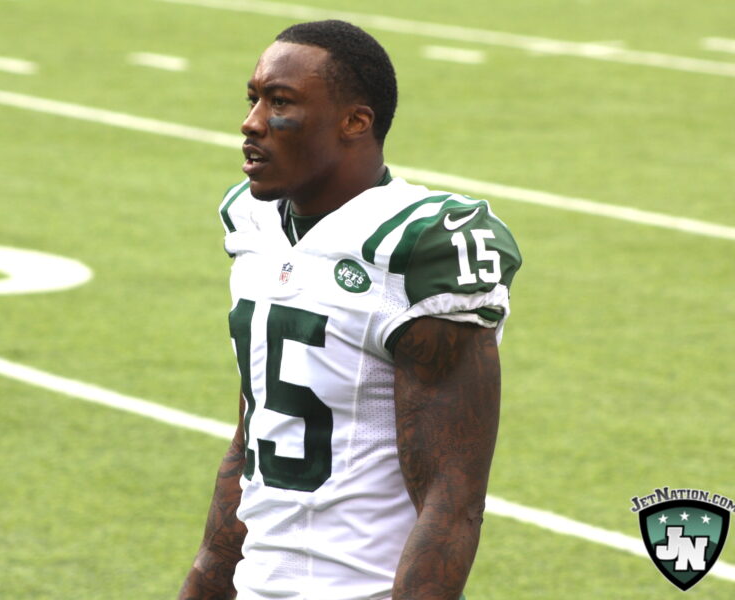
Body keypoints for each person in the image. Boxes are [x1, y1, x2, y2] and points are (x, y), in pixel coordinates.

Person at [179, 19, 521, 600]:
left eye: (280, 102)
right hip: (259, 583)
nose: (252, 122)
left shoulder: (416, 249)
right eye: (253, 98)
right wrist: (208, 574)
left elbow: (453, 498)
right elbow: (253, 435)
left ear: (355, 122)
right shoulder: (253, 221)